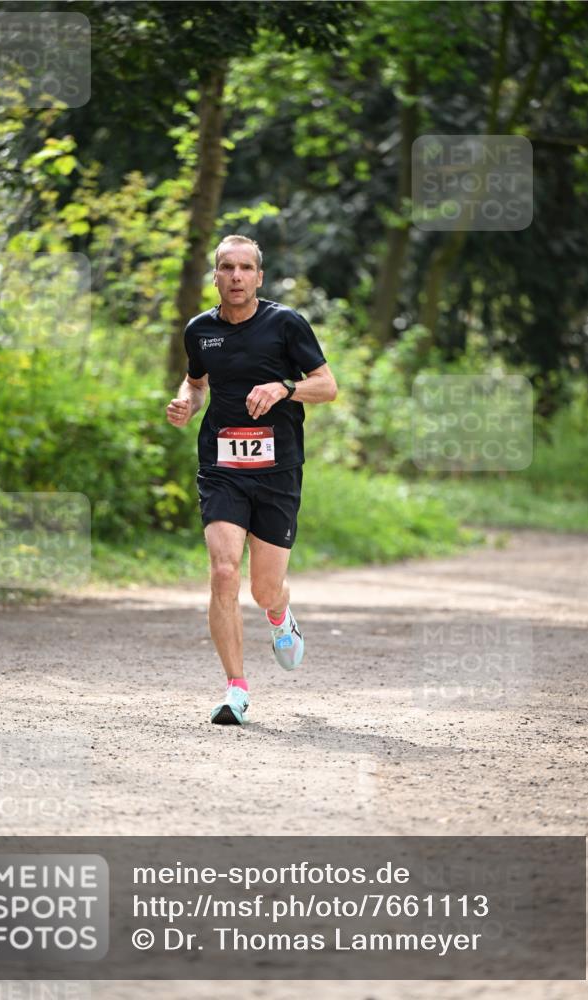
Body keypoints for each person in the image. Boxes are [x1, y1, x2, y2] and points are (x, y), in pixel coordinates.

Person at [166, 234, 337, 725]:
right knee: (223, 571)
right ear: (215, 276)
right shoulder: (200, 331)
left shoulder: (285, 324)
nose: (236, 276)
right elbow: (196, 383)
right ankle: (236, 689)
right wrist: (186, 403)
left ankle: (279, 614)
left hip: (277, 471)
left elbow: (327, 386)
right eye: (227, 267)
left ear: (259, 277)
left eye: (245, 268)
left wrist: (284, 387)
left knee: (264, 589)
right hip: (222, 466)